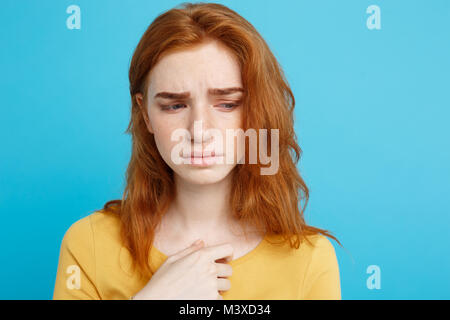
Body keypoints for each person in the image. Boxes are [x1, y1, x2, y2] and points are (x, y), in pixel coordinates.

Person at [53, 2, 342, 300]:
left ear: (258, 110)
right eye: (174, 105)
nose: (199, 131)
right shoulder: (89, 244)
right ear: (146, 113)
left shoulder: (310, 260)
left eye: (227, 104)